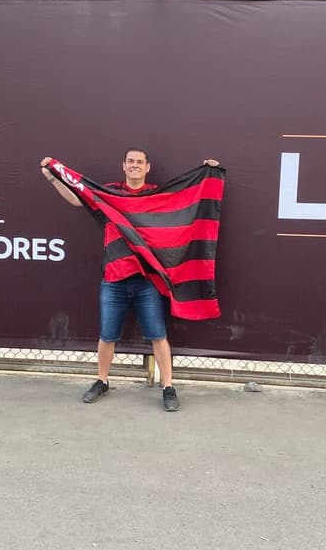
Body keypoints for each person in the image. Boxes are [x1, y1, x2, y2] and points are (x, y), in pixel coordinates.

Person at [40, 148, 221, 411]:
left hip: (147, 281)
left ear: (147, 167)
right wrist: (53, 177)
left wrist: (207, 171)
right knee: (107, 336)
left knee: (158, 335)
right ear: (123, 165)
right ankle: (102, 381)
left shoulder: (157, 195)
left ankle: (168, 387)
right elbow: (78, 199)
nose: (135, 165)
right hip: (114, 279)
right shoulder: (109, 194)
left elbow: (186, 198)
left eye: (139, 162)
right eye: (130, 161)